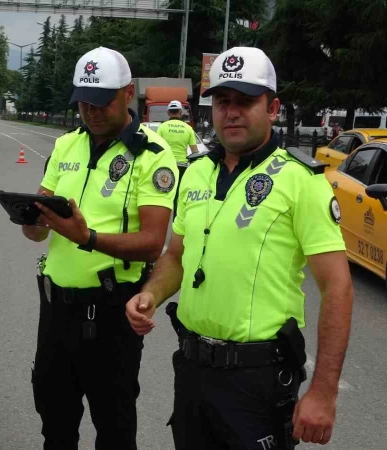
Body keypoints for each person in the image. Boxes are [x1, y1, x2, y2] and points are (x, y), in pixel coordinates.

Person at [125, 47, 354, 449]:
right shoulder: (196, 173)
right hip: (193, 371)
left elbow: (338, 288)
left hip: (259, 382)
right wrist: (150, 294)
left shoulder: (302, 180)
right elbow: (176, 257)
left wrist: (323, 391)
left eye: (245, 101)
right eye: (223, 101)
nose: (231, 112)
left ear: (273, 108)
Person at [23, 46, 178, 450]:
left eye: (100, 101)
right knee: (55, 424)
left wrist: (86, 237)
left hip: (110, 314)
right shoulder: (65, 146)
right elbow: (39, 229)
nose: (90, 111)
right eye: (82, 103)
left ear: (128, 93)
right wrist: (32, 221)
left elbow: (151, 243)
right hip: (56, 311)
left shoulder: (153, 156)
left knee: (113, 428)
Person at [156, 100, 199, 218]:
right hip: (182, 167)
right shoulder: (188, 128)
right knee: (178, 196)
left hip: (165, 166)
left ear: (168, 112)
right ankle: (176, 222)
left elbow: (157, 147)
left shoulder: (162, 127)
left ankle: (161, 222)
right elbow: (195, 152)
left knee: (162, 196)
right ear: (180, 112)